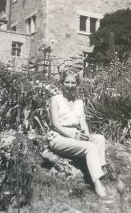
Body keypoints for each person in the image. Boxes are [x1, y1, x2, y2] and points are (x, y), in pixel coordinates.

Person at [48, 69, 111, 199]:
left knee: (99, 138)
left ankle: (100, 173)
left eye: (73, 82)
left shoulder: (79, 102)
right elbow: (55, 124)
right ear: (61, 83)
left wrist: (86, 136)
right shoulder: (56, 99)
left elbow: (83, 123)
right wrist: (74, 136)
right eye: (67, 82)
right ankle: (98, 185)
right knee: (90, 147)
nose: (70, 85)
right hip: (59, 137)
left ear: (77, 84)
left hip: (76, 135)